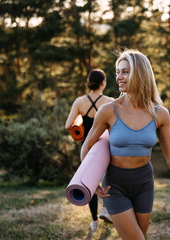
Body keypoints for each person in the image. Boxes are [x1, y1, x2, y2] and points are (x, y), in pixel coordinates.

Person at [80, 49, 170, 240]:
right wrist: (91, 182)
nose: (119, 77)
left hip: (144, 184)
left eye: (125, 72)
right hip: (115, 186)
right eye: (118, 72)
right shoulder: (108, 111)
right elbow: (86, 146)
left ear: (140, 74)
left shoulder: (160, 114)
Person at [65, 69, 114, 232]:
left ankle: (94, 221)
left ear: (89, 82)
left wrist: (80, 119)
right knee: (109, 177)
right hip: (105, 146)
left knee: (89, 182)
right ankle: (106, 209)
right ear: (103, 83)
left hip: (86, 147)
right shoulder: (109, 101)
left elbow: (67, 125)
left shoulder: (79, 102)